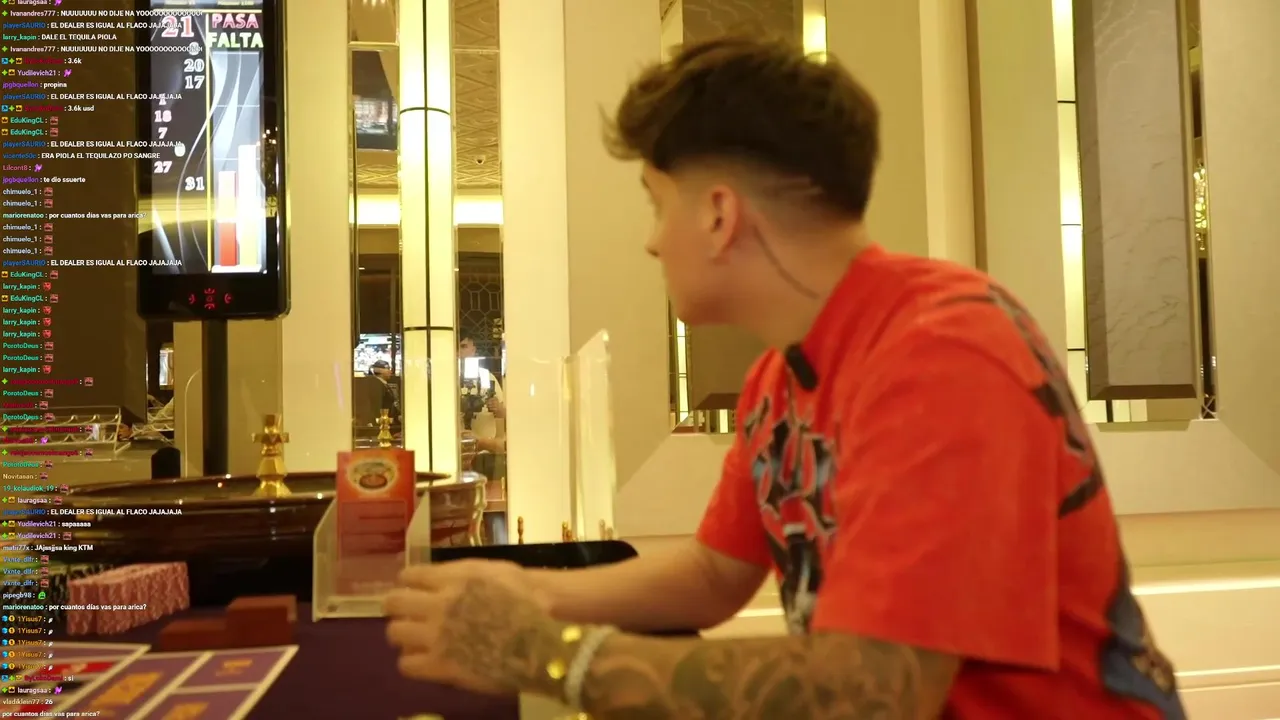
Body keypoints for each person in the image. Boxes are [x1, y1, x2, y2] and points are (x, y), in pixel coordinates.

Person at [384, 36, 1187, 719]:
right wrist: (523, 594)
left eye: (656, 204)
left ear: (719, 215)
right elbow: (712, 575)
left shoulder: (945, 352)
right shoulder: (780, 374)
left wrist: (549, 653)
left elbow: (875, 689)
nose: (652, 242)